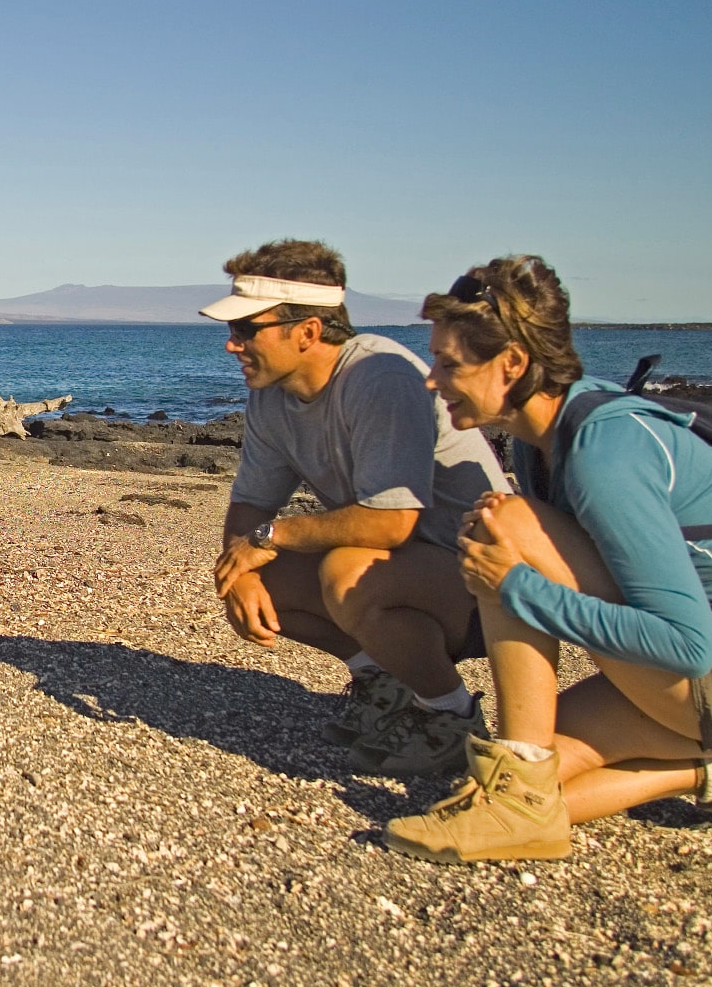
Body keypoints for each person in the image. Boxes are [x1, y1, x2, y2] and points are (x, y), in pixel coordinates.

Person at [386, 255, 712, 863]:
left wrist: (521, 589)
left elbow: (686, 645)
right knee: (499, 797)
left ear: (513, 363)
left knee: (502, 523)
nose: (432, 379)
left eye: (450, 363)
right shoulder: (542, 440)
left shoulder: (605, 450)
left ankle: (521, 789)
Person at [204, 239, 510, 774]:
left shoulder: (380, 377)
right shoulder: (272, 394)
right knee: (246, 574)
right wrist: (243, 563)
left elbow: (391, 524)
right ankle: (386, 683)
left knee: (347, 571)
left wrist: (265, 540)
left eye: (245, 329)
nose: (233, 345)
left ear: (308, 331)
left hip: (487, 588)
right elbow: (252, 499)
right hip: (413, 574)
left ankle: (452, 718)